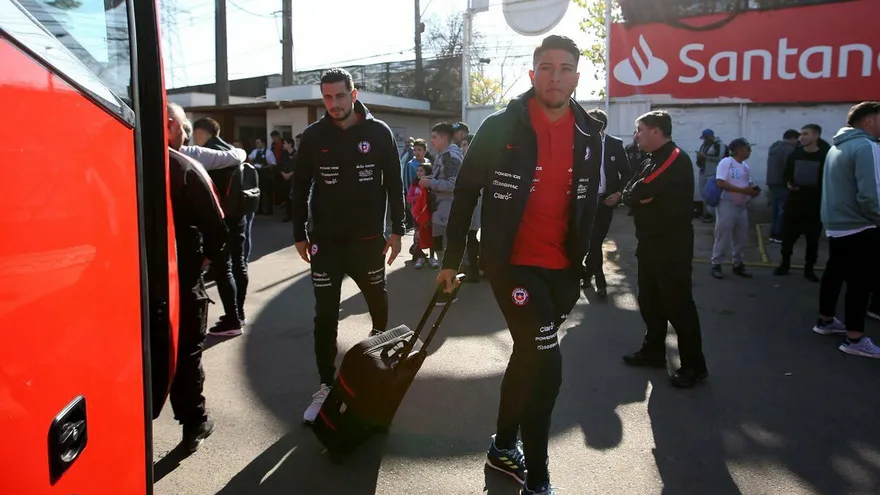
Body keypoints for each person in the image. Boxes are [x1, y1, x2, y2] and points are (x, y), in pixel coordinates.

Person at [437, 35, 604, 495]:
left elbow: (590, 204)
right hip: (512, 265)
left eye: (565, 68)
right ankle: (539, 477)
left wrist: (585, 261)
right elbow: (466, 189)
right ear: (533, 74)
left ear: (576, 75)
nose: (555, 76)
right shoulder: (501, 125)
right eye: (546, 67)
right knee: (547, 365)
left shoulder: (591, 131)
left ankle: (504, 445)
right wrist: (452, 259)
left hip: (563, 269)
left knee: (527, 356)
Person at [291, 68, 405, 423]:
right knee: (325, 315)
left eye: (340, 96)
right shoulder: (313, 136)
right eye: (327, 97)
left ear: (353, 95)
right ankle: (326, 384)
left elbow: (394, 184)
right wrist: (299, 233)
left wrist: (398, 229)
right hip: (325, 243)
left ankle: (378, 373)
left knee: (377, 307)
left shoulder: (379, 131)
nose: (334, 103)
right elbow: (300, 188)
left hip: (368, 241)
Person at [621, 110, 708, 389]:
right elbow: (632, 191)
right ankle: (654, 351)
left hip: (671, 246)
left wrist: (635, 195)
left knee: (678, 305)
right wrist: (635, 195)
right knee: (649, 300)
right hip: (650, 242)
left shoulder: (673, 157)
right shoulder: (650, 159)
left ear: (656, 131)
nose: (636, 136)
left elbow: (639, 190)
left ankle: (694, 366)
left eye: (640, 130)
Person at [165, 102, 229, 452]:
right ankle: (195, 423)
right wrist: (202, 260)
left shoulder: (121, 162)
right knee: (187, 350)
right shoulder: (185, 168)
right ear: (174, 127)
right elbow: (217, 230)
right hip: (180, 279)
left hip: (132, 280)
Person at [814, 101, 880, 358]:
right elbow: (870, 195)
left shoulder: (835, 147)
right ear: (869, 120)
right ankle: (855, 338)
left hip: (836, 225)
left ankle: (826, 320)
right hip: (860, 225)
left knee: (835, 273)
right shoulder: (866, 146)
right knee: (859, 282)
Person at [191, 117, 250, 335]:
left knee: (223, 269)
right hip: (239, 216)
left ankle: (232, 320)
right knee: (239, 265)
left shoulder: (208, 155)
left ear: (200, 132)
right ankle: (239, 313)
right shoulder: (232, 151)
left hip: (220, 218)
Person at [582, 108, 631, 297]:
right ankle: (595, 278)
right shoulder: (580, 143)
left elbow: (627, 173)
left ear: (601, 125)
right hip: (585, 201)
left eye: (591, 122)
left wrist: (619, 193)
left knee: (595, 241)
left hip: (605, 202)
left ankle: (590, 275)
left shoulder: (614, 144)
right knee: (590, 242)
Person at [774, 124, 827, 281]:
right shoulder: (795, 154)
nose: (801, 137)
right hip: (795, 204)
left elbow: (827, 181)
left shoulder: (824, 156)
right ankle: (784, 265)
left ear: (816, 136)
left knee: (812, 241)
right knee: (788, 238)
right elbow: (786, 175)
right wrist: (789, 183)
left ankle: (809, 270)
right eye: (801, 134)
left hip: (814, 206)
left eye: (805, 134)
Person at [420, 122, 463, 302]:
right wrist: (431, 179)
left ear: (445, 138)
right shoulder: (442, 155)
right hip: (440, 212)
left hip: (448, 212)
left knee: (445, 251)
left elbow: (455, 185)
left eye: (435, 137)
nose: (431, 141)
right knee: (439, 248)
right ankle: (446, 286)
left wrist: (431, 183)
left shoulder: (451, 157)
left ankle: (448, 291)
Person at [710, 138, 760, 279]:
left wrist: (752, 191)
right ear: (738, 149)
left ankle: (738, 264)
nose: (749, 151)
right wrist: (743, 191)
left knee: (741, 237)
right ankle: (716, 263)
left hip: (741, 206)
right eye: (747, 148)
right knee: (723, 235)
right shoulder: (727, 162)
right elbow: (721, 182)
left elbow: (747, 184)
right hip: (727, 204)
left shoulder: (745, 166)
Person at [765, 129, 800, 243]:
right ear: (793, 138)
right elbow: (789, 167)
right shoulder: (788, 149)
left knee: (775, 210)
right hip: (782, 182)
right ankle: (779, 235)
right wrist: (792, 182)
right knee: (783, 210)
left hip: (772, 181)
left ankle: (773, 234)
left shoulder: (774, 146)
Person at [696, 129, 727, 222]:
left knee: (711, 194)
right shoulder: (705, 145)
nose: (704, 140)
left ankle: (711, 214)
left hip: (712, 173)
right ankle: (708, 212)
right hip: (703, 171)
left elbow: (719, 158)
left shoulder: (719, 145)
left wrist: (705, 156)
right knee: (703, 193)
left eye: (706, 138)